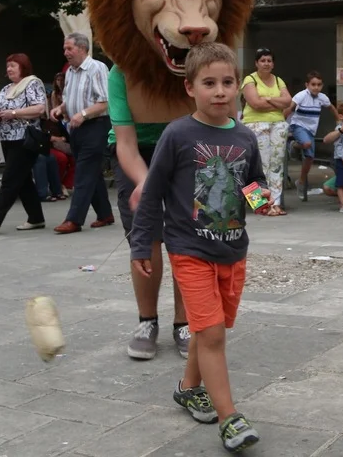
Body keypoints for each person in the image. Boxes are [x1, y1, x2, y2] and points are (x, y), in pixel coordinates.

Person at [130, 42, 266, 453]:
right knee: (210, 332)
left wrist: (262, 201)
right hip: (189, 250)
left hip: (233, 251)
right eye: (209, 83)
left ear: (238, 86)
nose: (219, 91)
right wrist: (141, 243)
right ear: (190, 87)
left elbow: (253, 183)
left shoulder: (245, 136)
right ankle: (230, 418)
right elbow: (152, 193)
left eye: (227, 82)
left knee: (212, 330)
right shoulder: (177, 134)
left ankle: (189, 388)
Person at [108, 60, 190, 360]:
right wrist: (146, 183)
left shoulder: (193, 67)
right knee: (144, 236)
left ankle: (185, 322)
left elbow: (247, 168)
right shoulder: (121, 73)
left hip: (184, 148)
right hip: (137, 150)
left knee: (188, 235)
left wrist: (256, 199)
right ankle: (147, 321)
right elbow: (125, 142)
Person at [0, 53, 47, 233]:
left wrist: (14, 113)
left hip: (24, 139)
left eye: (13, 65)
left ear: (23, 67)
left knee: (10, 180)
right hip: (7, 139)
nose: (9, 69)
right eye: (8, 66)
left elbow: (39, 108)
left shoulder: (32, 83)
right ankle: (36, 218)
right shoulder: (6, 88)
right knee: (23, 180)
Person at [51, 33, 114, 234]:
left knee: (83, 173)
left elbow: (105, 102)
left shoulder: (97, 68)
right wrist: (60, 108)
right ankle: (105, 214)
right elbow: (69, 98)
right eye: (64, 49)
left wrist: (83, 114)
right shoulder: (70, 71)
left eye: (69, 48)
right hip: (76, 128)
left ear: (82, 48)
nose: (65, 52)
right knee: (91, 171)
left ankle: (74, 220)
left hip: (96, 125)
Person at [240, 48, 292, 215]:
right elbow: (255, 104)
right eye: (263, 60)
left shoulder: (278, 80)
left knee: (276, 165)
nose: (266, 63)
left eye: (269, 60)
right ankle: (260, 204)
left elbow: (288, 102)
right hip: (256, 124)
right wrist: (277, 103)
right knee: (260, 165)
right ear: (256, 63)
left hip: (278, 124)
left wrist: (268, 99)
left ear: (273, 64)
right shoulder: (250, 79)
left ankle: (275, 204)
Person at [285, 71, 338, 200]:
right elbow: (290, 108)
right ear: (307, 85)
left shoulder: (322, 97)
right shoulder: (301, 96)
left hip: (310, 130)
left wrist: (338, 119)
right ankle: (293, 145)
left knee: (309, 157)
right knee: (307, 143)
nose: (316, 87)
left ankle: (301, 181)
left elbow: (331, 107)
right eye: (313, 84)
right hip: (298, 125)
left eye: (319, 85)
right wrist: (282, 122)